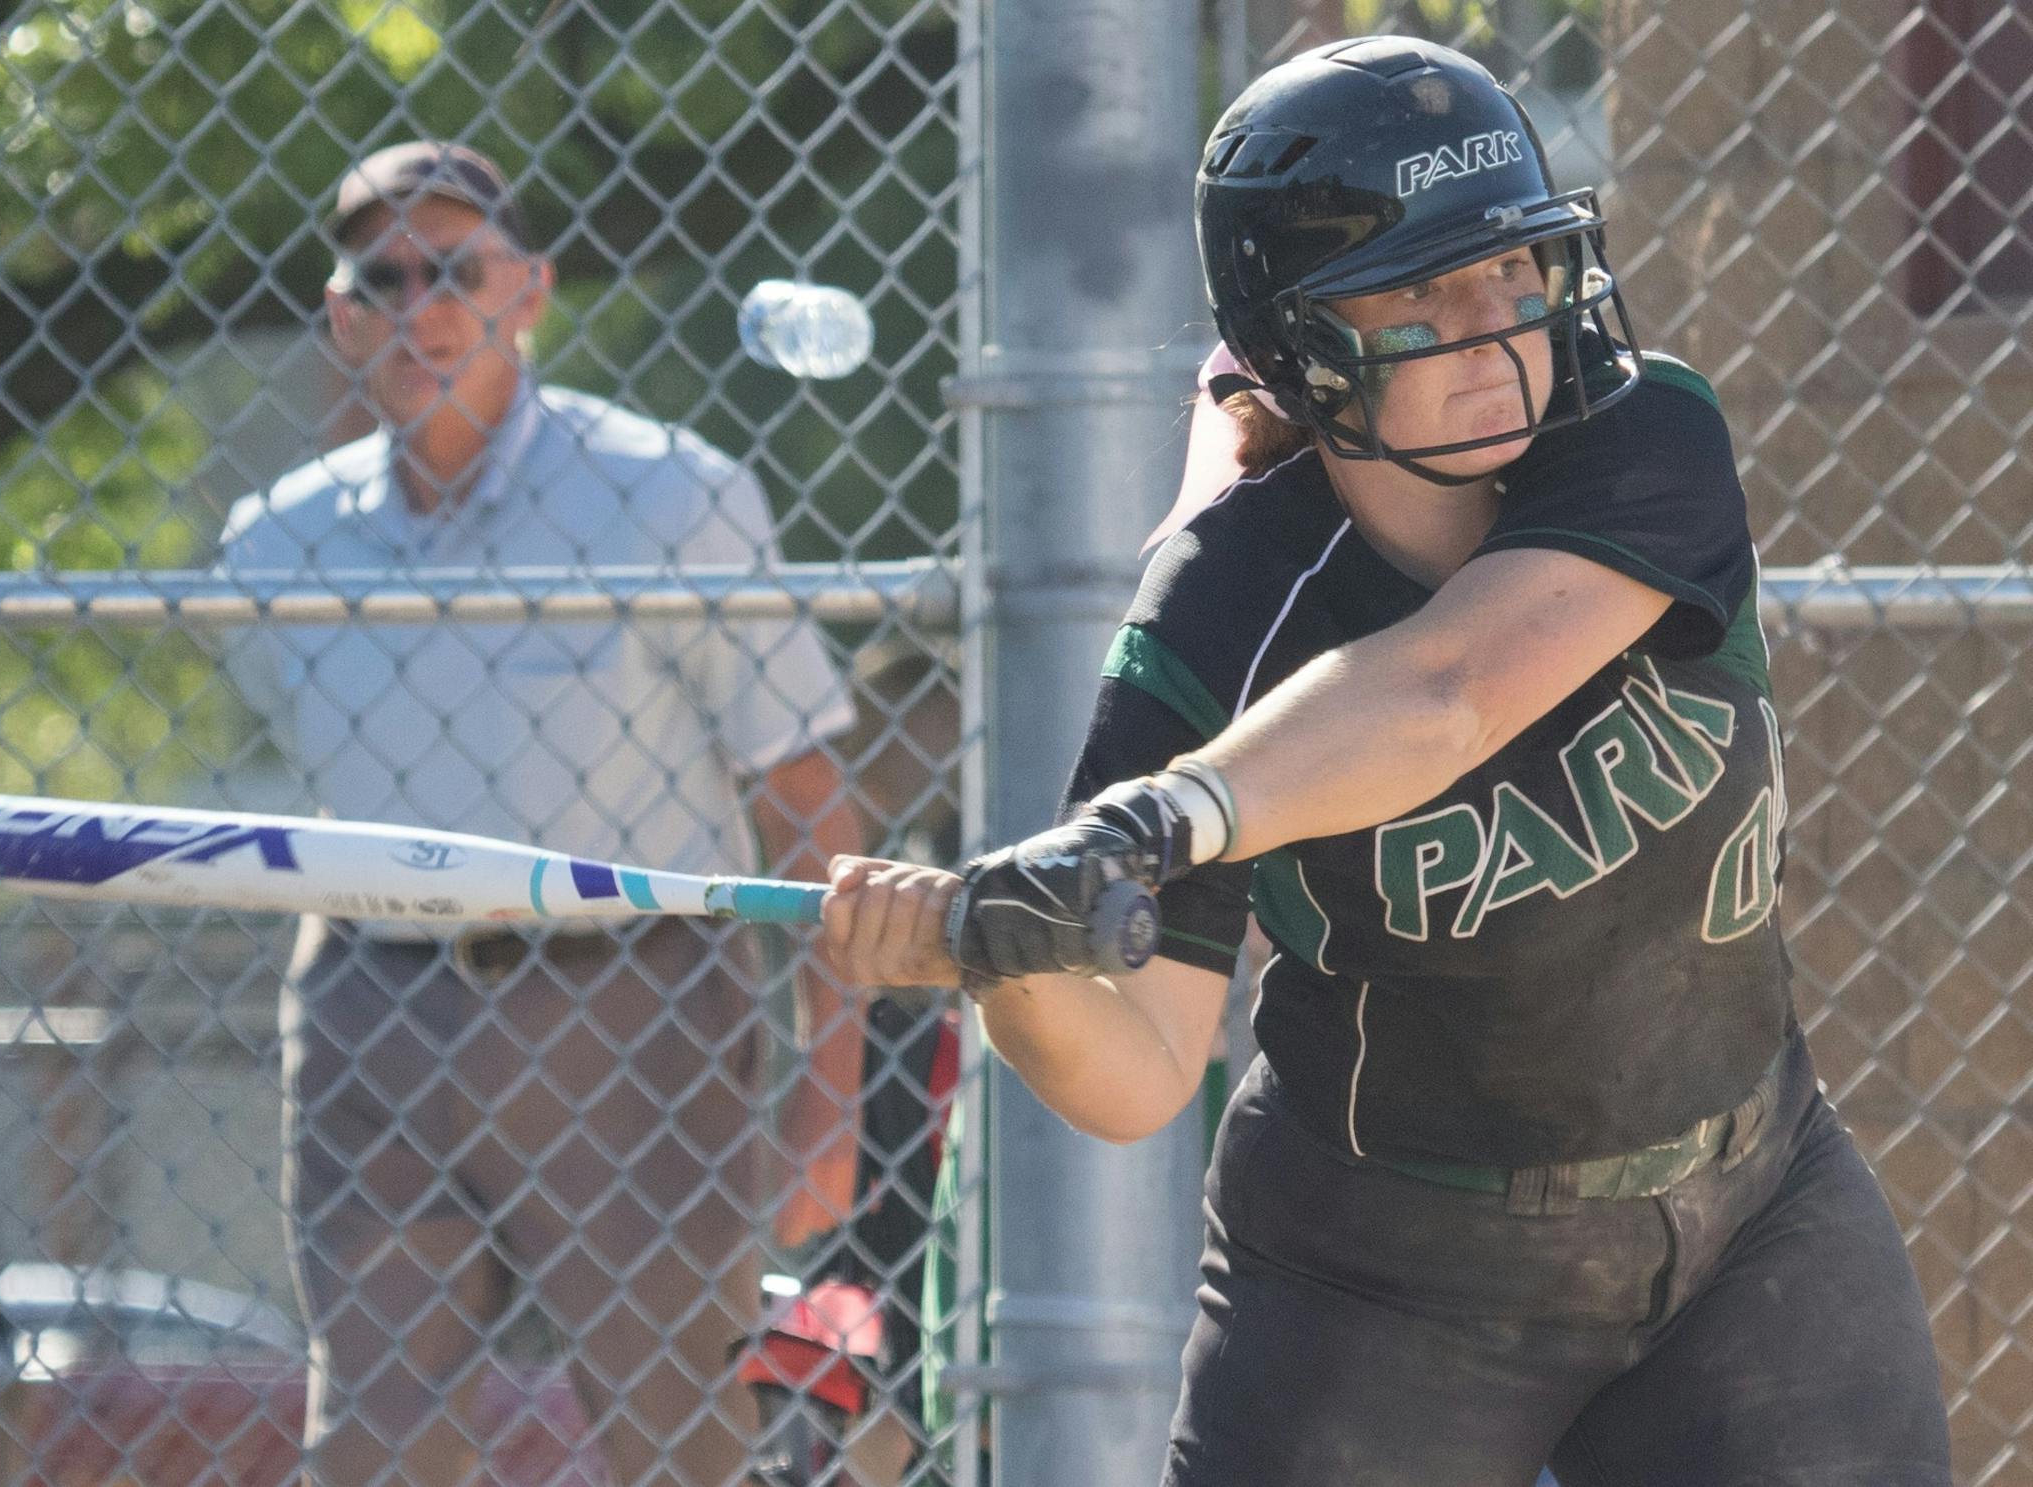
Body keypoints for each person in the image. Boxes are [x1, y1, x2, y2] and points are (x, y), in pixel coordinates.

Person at [817, 38, 1952, 1487]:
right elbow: (1137, 1074)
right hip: (1387, 1274)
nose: (1495, 329)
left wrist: (1168, 817)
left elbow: (1449, 689)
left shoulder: (1640, 436)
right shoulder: (1225, 608)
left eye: (1516, 272)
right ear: (1301, 345)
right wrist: (1000, 963)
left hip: (1751, 1201)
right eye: (1423, 291)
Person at [218, 141, 867, 1487]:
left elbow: (808, 807)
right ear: (340, 316)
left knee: (672, 1440)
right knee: (370, 1449)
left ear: (531, 291)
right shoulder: (275, 544)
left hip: (635, 1014)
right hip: (374, 1006)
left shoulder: (666, 496)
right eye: (382, 276)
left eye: (455, 268)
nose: (421, 305)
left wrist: (827, 1099)